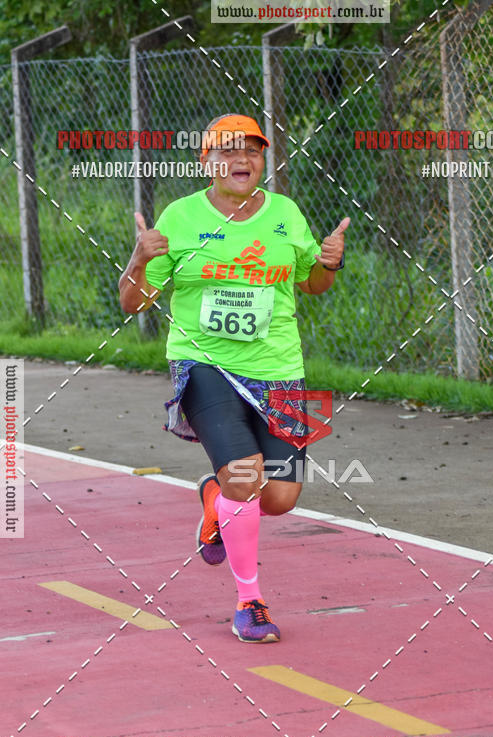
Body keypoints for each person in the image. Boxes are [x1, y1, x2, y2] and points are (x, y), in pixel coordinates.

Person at [119, 113, 348, 643]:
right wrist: (137, 258)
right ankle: (250, 602)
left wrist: (329, 264)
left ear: (262, 160)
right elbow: (134, 303)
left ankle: (213, 500)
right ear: (206, 161)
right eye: (226, 150)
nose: (240, 159)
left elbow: (311, 285)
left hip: (283, 369)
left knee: (282, 499)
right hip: (205, 365)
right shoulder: (179, 217)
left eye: (251, 150)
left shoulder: (286, 213)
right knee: (245, 477)